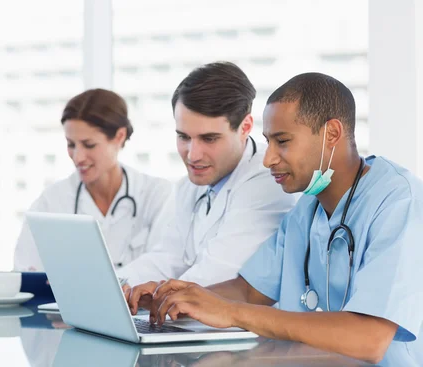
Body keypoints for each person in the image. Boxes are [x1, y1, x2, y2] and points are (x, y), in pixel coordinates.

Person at [127, 72, 423, 364]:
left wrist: (230, 312)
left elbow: (369, 338)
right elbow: (249, 290)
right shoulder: (306, 209)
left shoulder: (399, 201)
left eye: (282, 141)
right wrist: (175, 298)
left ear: (331, 134)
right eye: (267, 142)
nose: (268, 159)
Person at [117, 62, 295, 287]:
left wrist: (154, 295)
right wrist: (115, 284)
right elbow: (168, 258)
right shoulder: (190, 185)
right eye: (183, 137)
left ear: (245, 127)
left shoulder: (268, 182)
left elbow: (219, 273)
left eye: (209, 139)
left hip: (240, 320)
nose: (192, 155)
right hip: (193, 319)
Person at [14, 89, 173, 271]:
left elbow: (165, 267)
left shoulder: (156, 195)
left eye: (89, 145)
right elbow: (25, 270)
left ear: (119, 137)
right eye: (71, 144)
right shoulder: (52, 202)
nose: (78, 157)